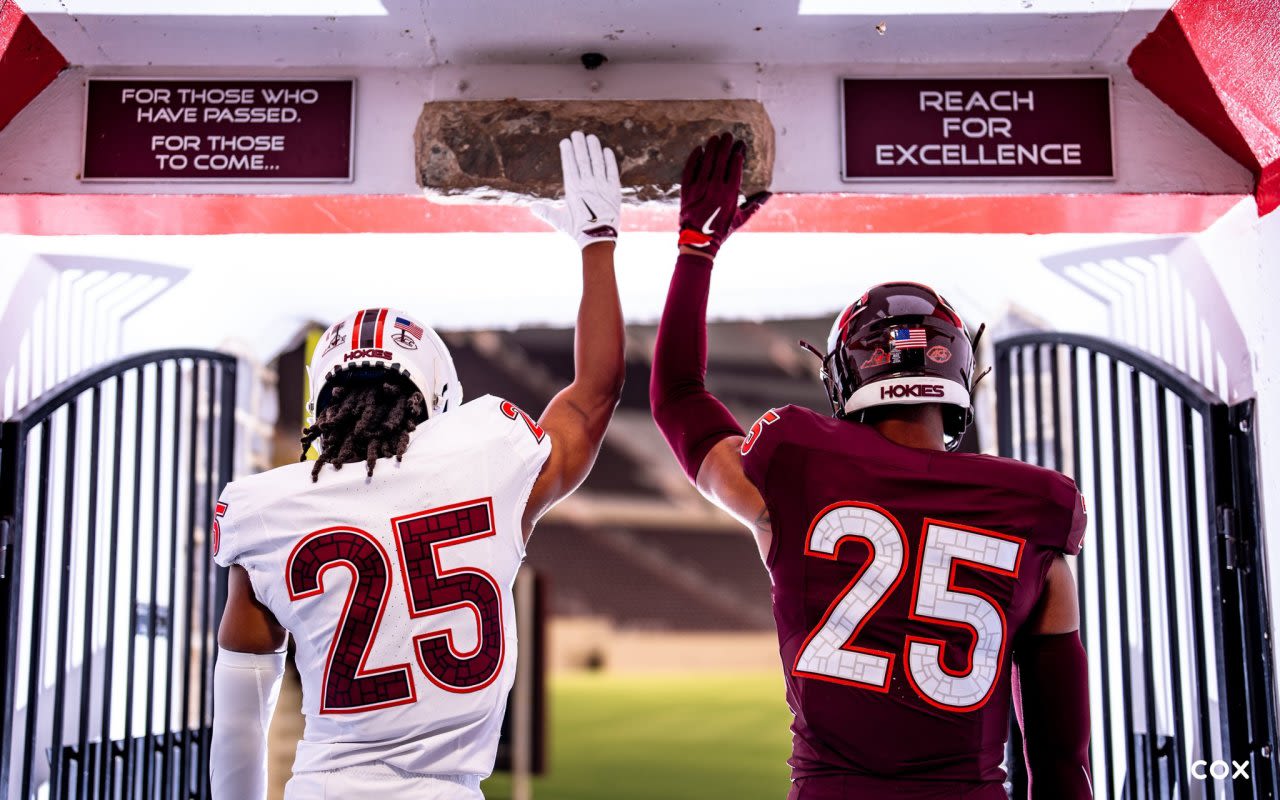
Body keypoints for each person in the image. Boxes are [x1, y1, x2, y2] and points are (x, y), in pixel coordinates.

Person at [650, 133, 1092, 799]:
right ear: (961, 375)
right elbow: (1059, 764)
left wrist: (697, 248)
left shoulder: (794, 469)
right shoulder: (1037, 518)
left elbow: (678, 396)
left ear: (843, 377)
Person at [210, 130, 625, 800]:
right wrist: (596, 239)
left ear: (325, 403)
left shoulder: (263, 510)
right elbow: (593, 397)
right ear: (436, 398)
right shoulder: (491, 454)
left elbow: (238, 723)